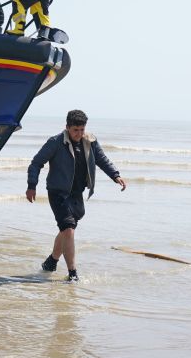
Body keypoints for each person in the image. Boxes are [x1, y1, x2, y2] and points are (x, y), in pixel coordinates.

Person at [26, 109, 127, 282]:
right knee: (68, 230)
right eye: (75, 130)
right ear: (67, 127)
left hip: (77, 193)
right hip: (58, 192)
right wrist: (31, 185)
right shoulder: (56, 142)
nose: (79, 134)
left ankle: (51, 262)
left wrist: (115, 175)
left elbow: (102, 160)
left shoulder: (90, 141)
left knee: (66, 231)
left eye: (82, 130)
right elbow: (36, 163)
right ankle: (72, 273)